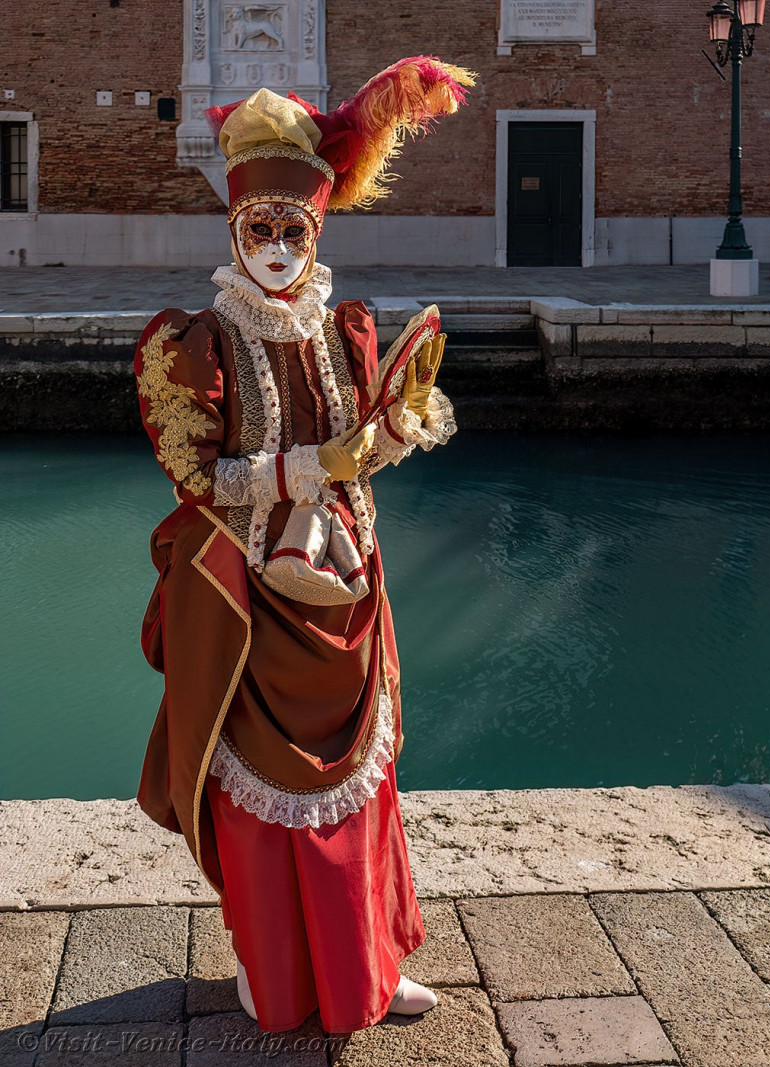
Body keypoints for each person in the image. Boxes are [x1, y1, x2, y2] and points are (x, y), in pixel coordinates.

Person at [132, 56, 474, 1038]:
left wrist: (391, 433)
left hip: (345, 584)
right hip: (249, 599)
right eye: (260, 230)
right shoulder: (192, 345)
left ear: (315, 233)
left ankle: (371, 964)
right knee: (262, 801)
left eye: (294, 231)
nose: (278, 248)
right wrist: (306, 466)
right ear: (234, 233)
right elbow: (198, 476)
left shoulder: (346, 330)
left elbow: (357, 453)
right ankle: (272, 967)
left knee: (365, 789)